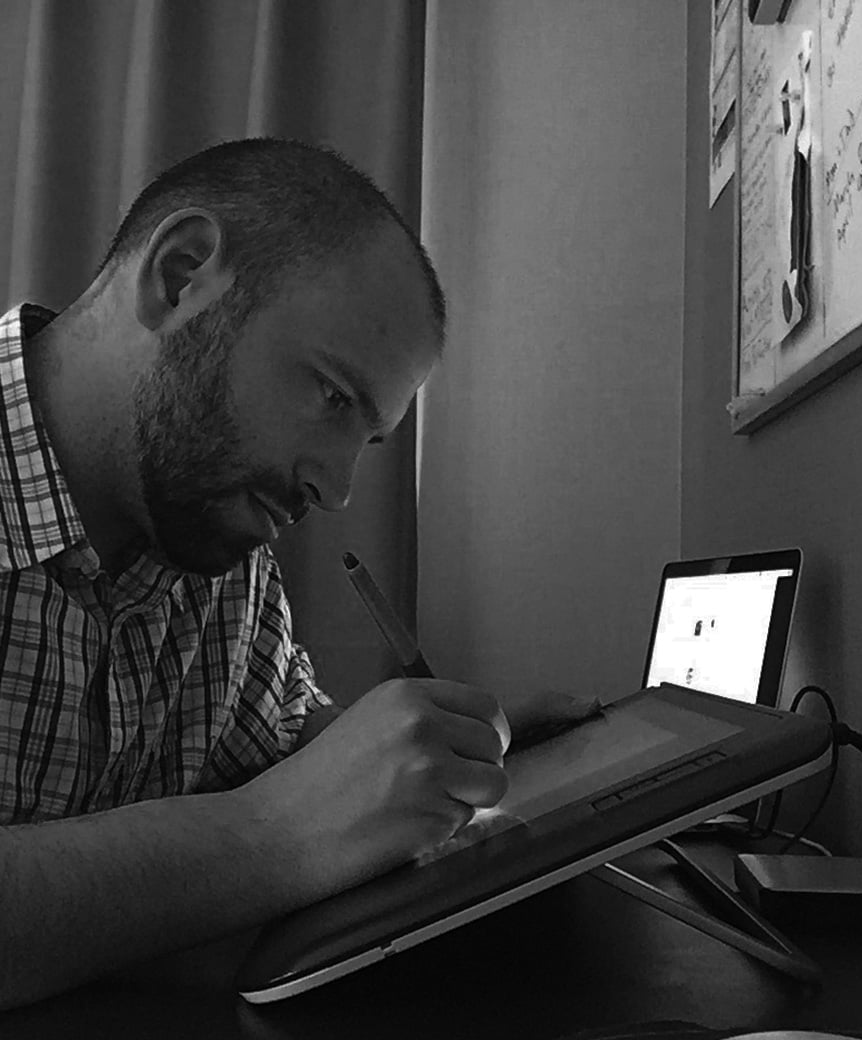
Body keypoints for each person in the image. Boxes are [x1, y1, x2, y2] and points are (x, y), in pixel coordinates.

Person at [0, 138, 590, 1009]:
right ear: (181, 276)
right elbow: (283, 815)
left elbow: (280, 741)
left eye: (367, 437)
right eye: (331, 396)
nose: (336, 488)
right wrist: (268, 837)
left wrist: (427, 756)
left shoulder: (223, 557)